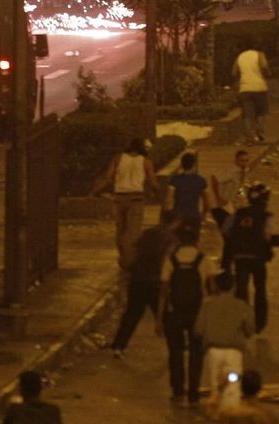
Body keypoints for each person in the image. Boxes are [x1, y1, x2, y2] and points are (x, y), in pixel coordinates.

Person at [156, 223, 216, 405]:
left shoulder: (171, 259)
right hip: (196, 313)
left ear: (178, 240)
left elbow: (163, 292)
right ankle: (194, 392)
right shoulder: (203, 259)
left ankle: (177, 390)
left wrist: (159, 319)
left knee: (175, 352)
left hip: (174, 313)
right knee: (196, 354)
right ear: (196, 239)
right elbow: (212, 289)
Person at [110, 212, 182, 357]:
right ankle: (175, 347)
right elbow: (168, 261)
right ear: (175, 223)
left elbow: (133, 251)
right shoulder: (171, 239)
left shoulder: (147, 234)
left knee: (131, 314)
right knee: (165, 316)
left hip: (137, 278)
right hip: (155, 280)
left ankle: (119, 346)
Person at [195, 272, 255, 424]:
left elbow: (198, 329)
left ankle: (218, 422)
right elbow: (250, 329)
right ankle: (232, 419)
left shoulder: (207, 305)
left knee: (216, 385)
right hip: (234, 353)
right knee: (233, 385)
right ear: (234, 286)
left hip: (214, 351)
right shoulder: (242, 306)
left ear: (216, 286)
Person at [222, 183, 279, 335]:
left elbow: (226, 230)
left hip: (240, 257)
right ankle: (259, 323)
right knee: (260, 289)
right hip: (258, 258)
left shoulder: (239, 213)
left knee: (241, 289)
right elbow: (267, 236)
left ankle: (242, 320)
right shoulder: (266, 216)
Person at [90, 137, 158, 269]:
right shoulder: (146, 162)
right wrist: (155, 191)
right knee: (133, 232)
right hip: (136, 199)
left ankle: (123, 258)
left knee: (120, 231)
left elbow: (108, 178)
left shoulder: (118, 158)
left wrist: (94, 192)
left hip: (119, 198)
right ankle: (130, 260)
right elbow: (153, 182)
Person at [232, 38, 270, 146]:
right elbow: (264, 67)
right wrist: (266, 74)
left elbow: (234, 72)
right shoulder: (259, 54)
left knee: (247, 115)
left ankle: (249, 138)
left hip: (245, 89)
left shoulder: (240, 57)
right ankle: (260, 132)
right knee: (261, 113)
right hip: (259, 87)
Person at [164, 152, 210, 231]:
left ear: (181, 165)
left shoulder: (175, 180)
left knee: (177, 240)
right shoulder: (201, 181)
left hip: (178, 216)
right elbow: (207, 202)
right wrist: (203, 215)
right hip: (194, 215)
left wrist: (167, 215)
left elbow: (168, 200)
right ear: (194, 165)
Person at [211, 149, 250, 230]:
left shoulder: (245, 170)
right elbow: (214, 179)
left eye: (246, 160)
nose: (244, 163)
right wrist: (219, 199)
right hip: (222, 204)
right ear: (236, 160)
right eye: (241, 161)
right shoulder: (231, 172)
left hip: (230, 202)